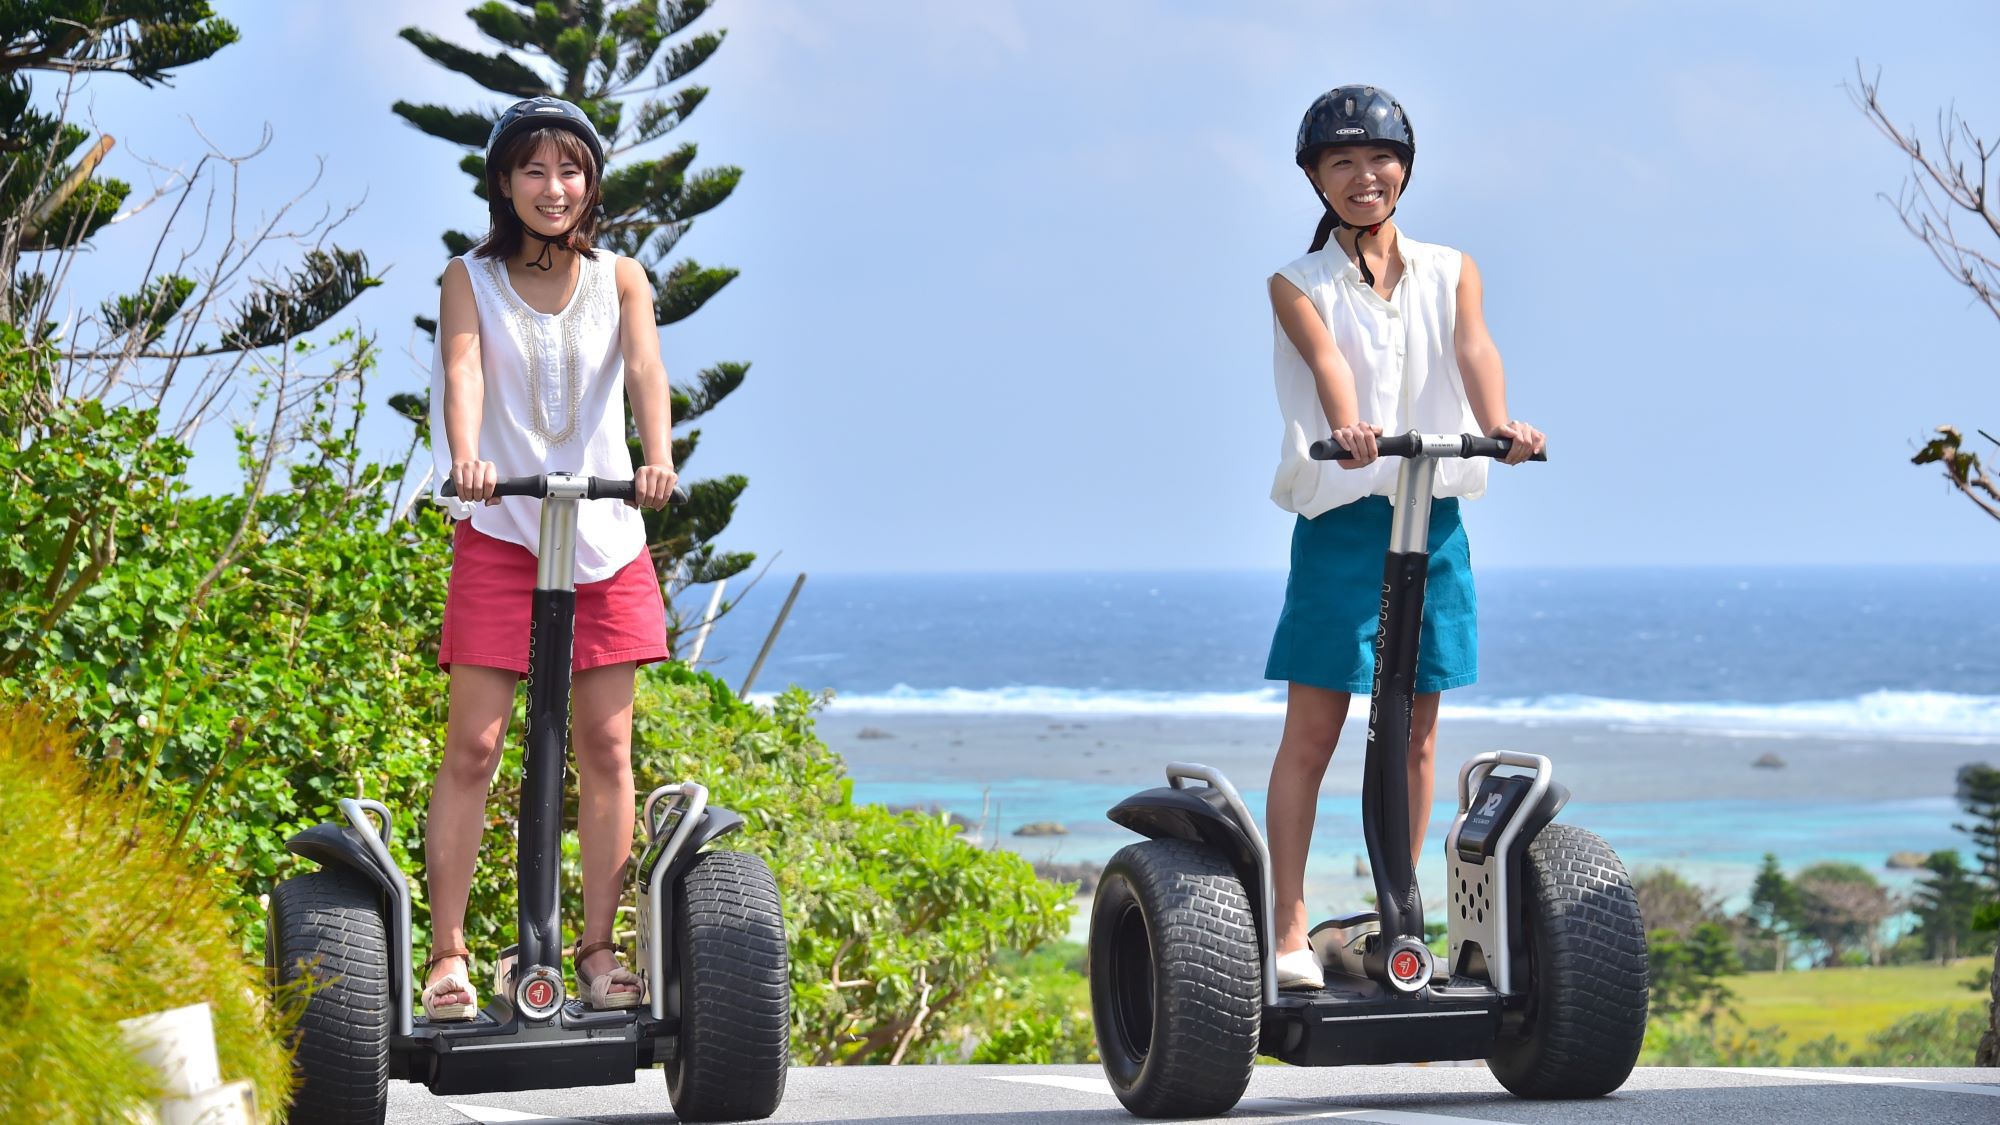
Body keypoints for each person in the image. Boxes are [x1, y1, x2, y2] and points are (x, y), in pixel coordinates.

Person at [1262, 85, 1546, 991]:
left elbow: (1474, 350)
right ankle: (1291, 923)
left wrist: (1504, 422)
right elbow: (1329, 360)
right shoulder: (1296, 283)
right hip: (1345, 519)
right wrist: (1349, 428)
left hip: (1438, 514)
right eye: (1339, 163)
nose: (1363, 177)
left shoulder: (1451, 266)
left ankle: (1400, 909)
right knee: (1316, 728)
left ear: (1405, 168)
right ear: (1315, 178)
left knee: (1419, 729)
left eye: (1377, 159)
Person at [419, 96, 680, 1020]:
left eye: (569, 171)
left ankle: (600, 952)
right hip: (502, 532)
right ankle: (449, 955)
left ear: (591, 183)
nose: (553, 188)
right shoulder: (470, 278)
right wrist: (467, 459)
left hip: (604, 540)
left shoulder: (622, 277)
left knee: (608, 747)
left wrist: (657, 458)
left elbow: (647, 371)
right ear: (503, 183)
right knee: (475, 746)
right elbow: (463, 371)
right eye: (532, 170)